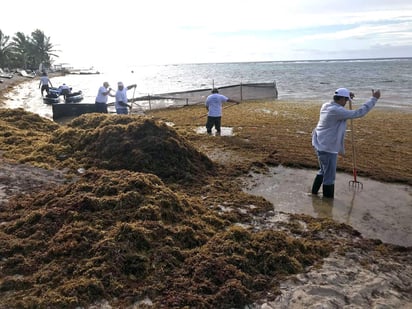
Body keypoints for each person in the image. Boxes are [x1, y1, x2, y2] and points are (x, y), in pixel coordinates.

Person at [311, 88, 381, 198]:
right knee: (329, 177)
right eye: (346, 100)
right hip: (327, 148)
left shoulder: (326, 105)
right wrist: (374, 99)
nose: (346, 102)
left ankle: (313, 194)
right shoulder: (337, 111)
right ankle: (328, 206)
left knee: (323, 171)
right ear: (342, 99)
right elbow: (359, 113)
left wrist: (347, 96)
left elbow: (341, 103)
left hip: (320, 144)